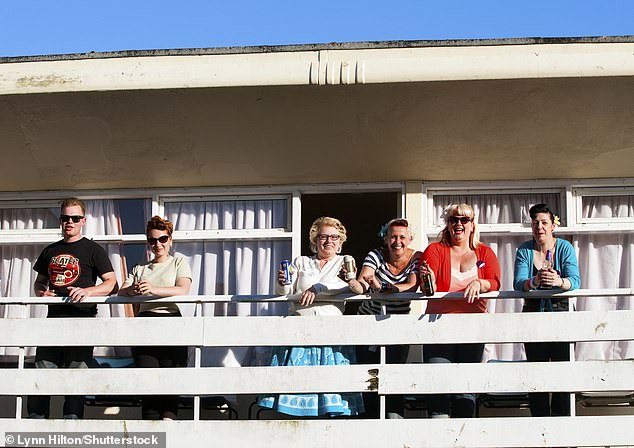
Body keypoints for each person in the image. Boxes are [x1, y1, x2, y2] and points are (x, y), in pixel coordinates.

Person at [258, 216, 364, 417]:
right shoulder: (302, 261)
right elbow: (285, 292)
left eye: (334, 237)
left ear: (340, 241)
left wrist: (317, 288)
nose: (328, 241)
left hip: (331, 335)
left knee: (329, 395)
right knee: (296, 391)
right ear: (315, 240)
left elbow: (345, 287)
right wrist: (281, 282)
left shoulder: (345, 261)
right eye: (323, 236)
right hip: (300, 332)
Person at [28, 198, 118, 419]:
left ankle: (72, 424)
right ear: (60, 220)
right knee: (43, 373)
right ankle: (36, 423)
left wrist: (88, 291)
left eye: (75, 218)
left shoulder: (93, 250)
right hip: (52, 324)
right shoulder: (50, 250)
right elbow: (40, 281)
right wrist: (41, 292)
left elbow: (112, 283)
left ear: (83, 221)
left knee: (76, 377)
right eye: (66, 217)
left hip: (82, 323)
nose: (70, 222)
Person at [420, 203, 500, 418]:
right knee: (438, 388)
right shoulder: (436, 249)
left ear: (472, 225)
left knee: (466, 390)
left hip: (472, 329)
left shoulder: (485, 252)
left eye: (464, 220)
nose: (459, 224)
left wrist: (479, 284)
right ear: (447, 224)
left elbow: (494, 281)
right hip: (439, 327)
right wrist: (428, 281)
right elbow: (430, 284)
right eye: (454, 219)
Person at [118, 216, 192, 420]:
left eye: (162, 239)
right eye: (152, 240)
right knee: (147, 380)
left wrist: (152, 290)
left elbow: (183, 290)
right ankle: (150, 435)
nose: (157, 244)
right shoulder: (140, 266)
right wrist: (133, 290)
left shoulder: (178, 262)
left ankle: (168, 428)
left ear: (170, 240)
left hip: (171, 322)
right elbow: (120, 291)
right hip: (145, 325)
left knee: (170, 378)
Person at [513, 203, 580, 417]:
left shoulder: (565, 248)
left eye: (544, 223)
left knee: (562, 375)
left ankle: (562, 432)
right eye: (535, 223)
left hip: (562, 318)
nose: (539, 227)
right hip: (533, 319)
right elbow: (518, 282)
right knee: (536, 375)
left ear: (553, 226)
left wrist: (559, 281)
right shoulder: (524, 249)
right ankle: (540, 428)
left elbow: (575, 281)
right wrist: (534, 281)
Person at [354, 218, 421, 419]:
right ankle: (369, 425)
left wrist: (387, 288)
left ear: (409, 239)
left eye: (402, 237)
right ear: (385, 239)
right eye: (392, 236)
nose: (397, 241)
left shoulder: (417, 257)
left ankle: (393, 426)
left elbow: (413, 285)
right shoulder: (375, 254)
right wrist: (364, 283)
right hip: (368, 324)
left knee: (393, 378)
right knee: (367, 377)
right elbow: (364, 277)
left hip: (397, 327)